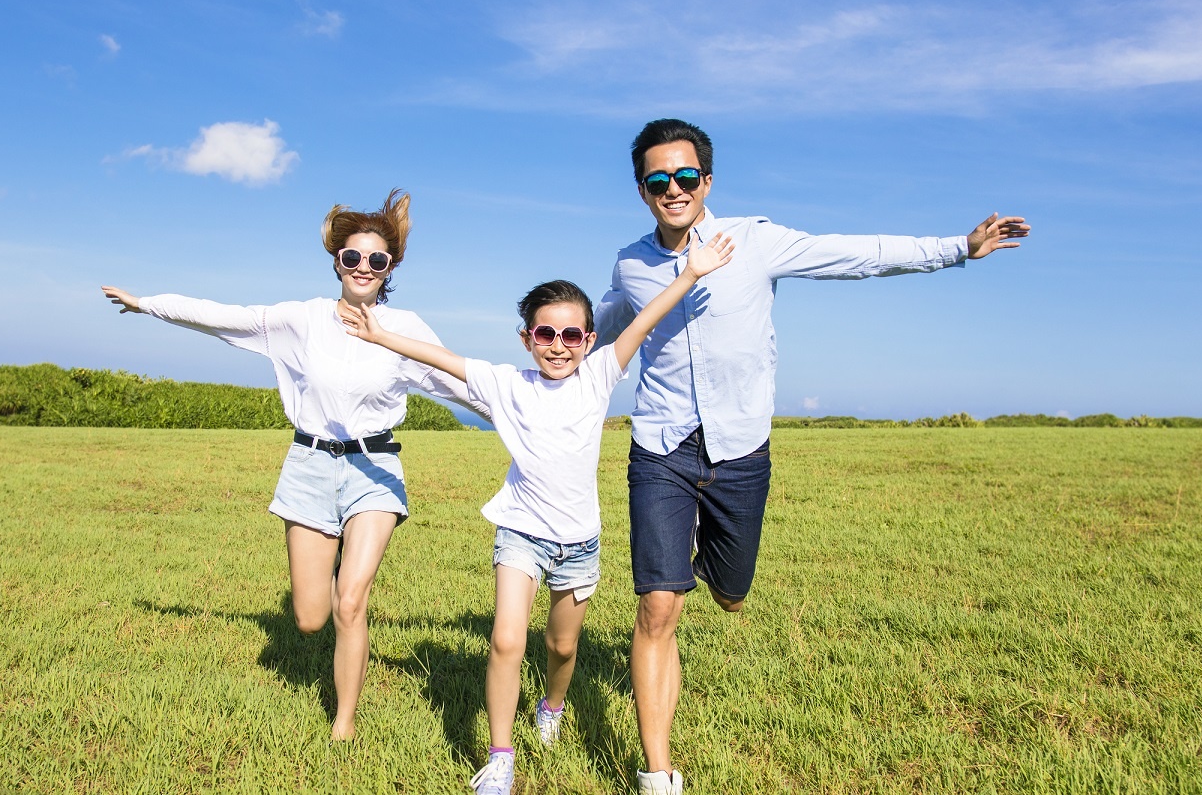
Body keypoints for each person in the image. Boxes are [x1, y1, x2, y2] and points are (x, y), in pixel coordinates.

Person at [595, 119, 1031, 793]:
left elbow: (855, 253)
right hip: (661, 446)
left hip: (740, 450)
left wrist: (958, 248)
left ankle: (714, 569)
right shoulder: (630, 263)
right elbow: (603, 329)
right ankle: (658, 774)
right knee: (657, 606)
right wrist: (544, 361)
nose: (674, 189)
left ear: (707, 180)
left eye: (686, 176)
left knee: (731, 595)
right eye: (659, 179)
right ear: (642, 189)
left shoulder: (757, 241)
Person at [337, 234, 735, 795]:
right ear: (527, 338)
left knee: (562, 647)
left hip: (579, 542)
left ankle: (552, 705)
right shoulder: (507, 385)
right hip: (520, 532)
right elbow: (440, 358)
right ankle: (501, 758)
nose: (558, 345)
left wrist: (691, 273)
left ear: (589, 339)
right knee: (505, 640)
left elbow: (643, 322)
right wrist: (380, 334)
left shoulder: (598, 376)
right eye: (545, 333)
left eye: (572, 334)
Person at [99, 190, 466, 741]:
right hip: (310, 467)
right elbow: (221, 317)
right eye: (352, 257)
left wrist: (533, 405)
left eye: (377, 260)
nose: (363, 267)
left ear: (391, 267)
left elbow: (458, 380)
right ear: (337, 261)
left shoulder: (406, 327)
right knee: (309, 616)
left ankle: (343, 722)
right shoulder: (301, 320)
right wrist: (148, 303)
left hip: (376, 467)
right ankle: (337, 568)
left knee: (351, 600)